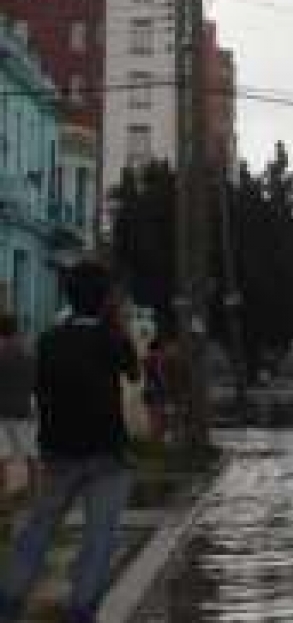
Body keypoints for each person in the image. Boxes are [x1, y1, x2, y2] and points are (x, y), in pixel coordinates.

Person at [0, 262, 139, 623]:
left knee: (39, 527)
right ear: (105, 299)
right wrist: (117, 323)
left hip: (59, 450)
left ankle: (9, 601)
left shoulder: (47, 340)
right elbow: (133, 373)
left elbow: (41, 388)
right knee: (99, 537)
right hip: (108, 452)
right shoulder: (113, 339)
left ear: (68, 297)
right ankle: (81, 612)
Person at [0, 313, 35, 495]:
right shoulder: (27, 352)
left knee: (2, 457)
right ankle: (34, 491)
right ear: (15, 330)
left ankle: (4, 495)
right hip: (23, 408)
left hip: (2, 411)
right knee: (30, 454)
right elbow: (35, 381)